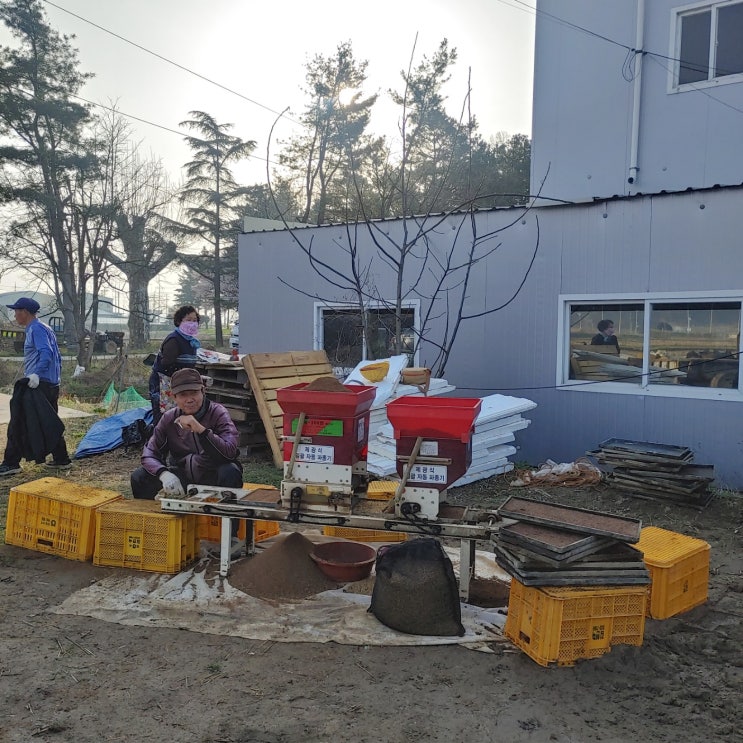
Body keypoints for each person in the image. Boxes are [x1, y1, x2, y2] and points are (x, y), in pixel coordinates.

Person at [131, 367, 243, 500]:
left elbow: (230, 451)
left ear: (203, 391)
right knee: (139, 476)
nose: (189, 399)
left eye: (194, 393)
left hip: (212, 475)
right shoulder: (169, 418)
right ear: (174, 397)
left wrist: (201, 430)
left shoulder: (218, 413)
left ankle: (225, 512)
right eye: (183, 395)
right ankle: (153, 513)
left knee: (230, 471)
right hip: (183, 478)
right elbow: (149, 453)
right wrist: (164, 474)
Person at [0, 297, 71, 476]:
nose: (15, 315)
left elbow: (46, 353)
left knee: (18, 421)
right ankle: (62, 459)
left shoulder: (36, 329)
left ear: (25, 312)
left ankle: (11, 463)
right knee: (49, 421)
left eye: (16, 311)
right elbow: (56, 356)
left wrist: (36, 374)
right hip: (51, 384)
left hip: (38, 384)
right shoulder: (45, 327)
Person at [149, 305, 201, 423]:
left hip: (180, 382)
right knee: (165, 416)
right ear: (179, 321)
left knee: (179, 415)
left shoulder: (191, 341)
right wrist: (184, 375)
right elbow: (166, 364)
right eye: (188, 320)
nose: (192, 323)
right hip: (164, 382)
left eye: (195, 320)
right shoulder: (174, 340)